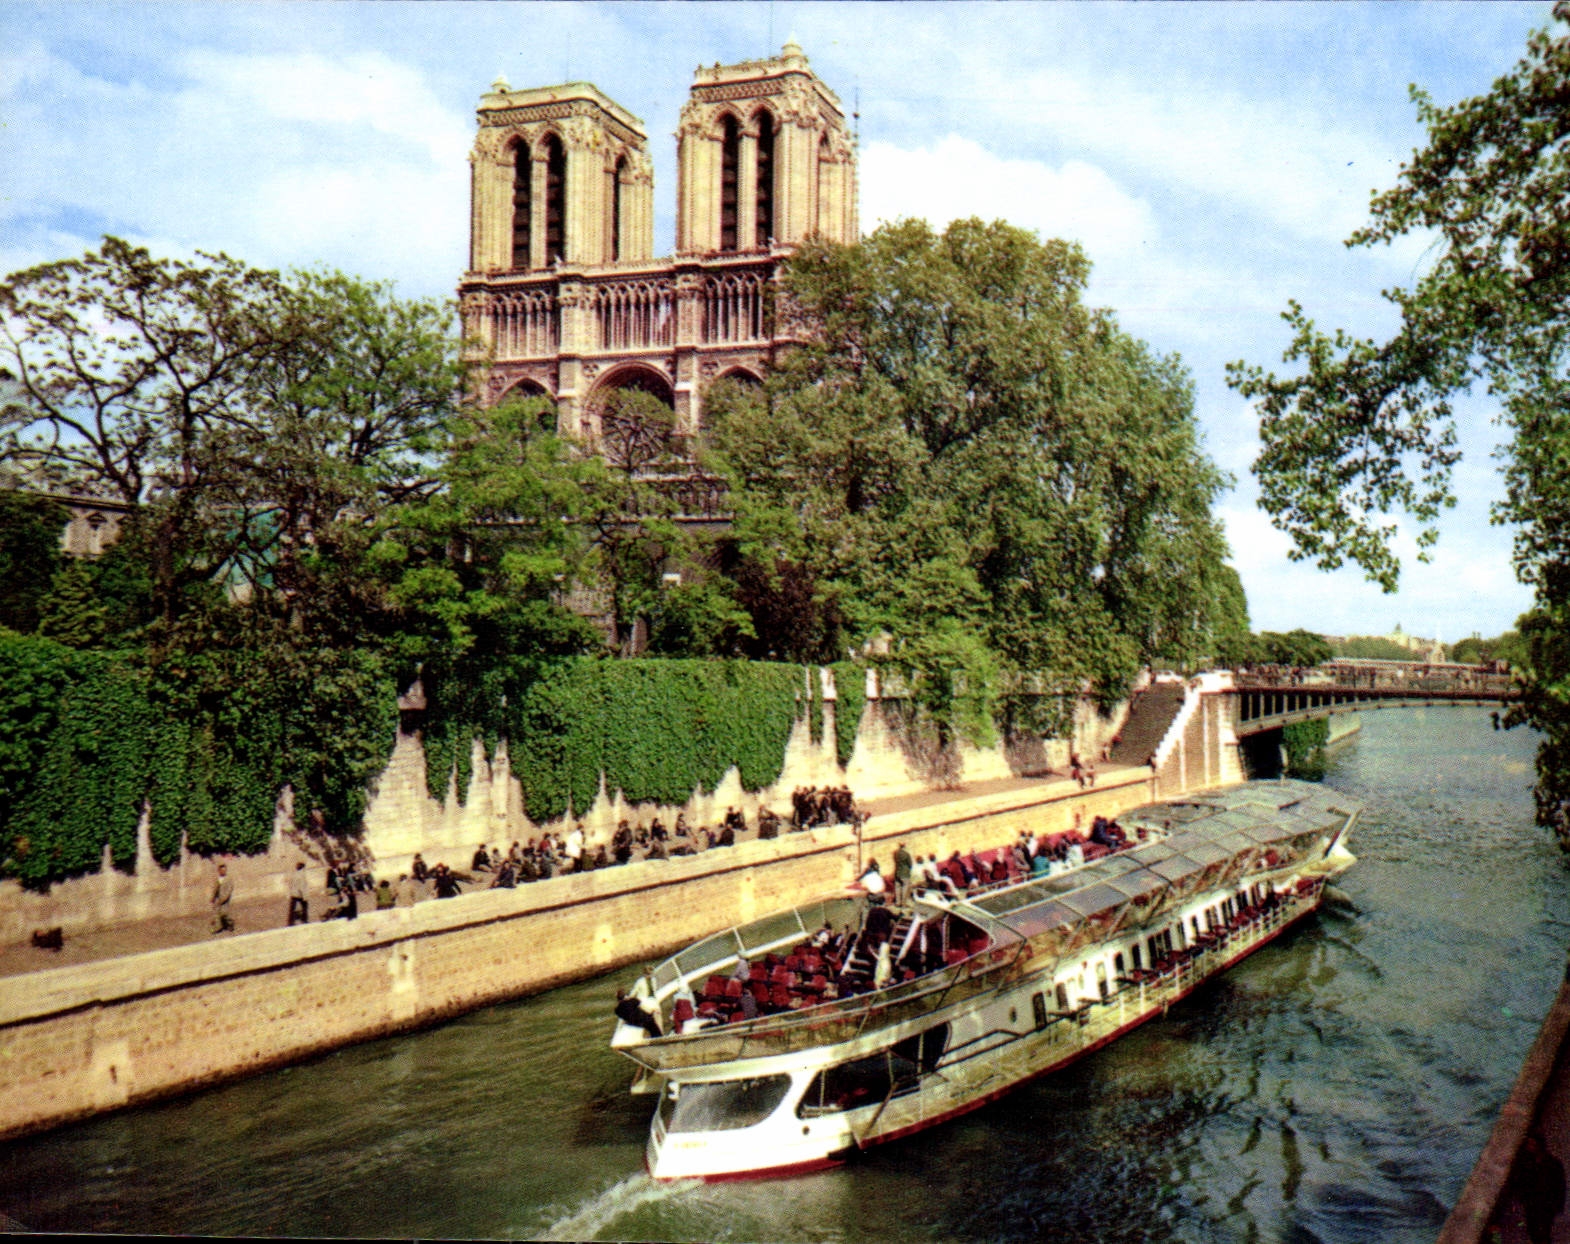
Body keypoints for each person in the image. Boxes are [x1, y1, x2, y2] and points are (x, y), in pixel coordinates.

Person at [210, 863, 235, 934]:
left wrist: (224, 899)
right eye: (222, 870)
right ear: (219, 871)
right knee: (217, 914)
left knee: (224, 914)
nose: (224, 871)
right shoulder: (217, 879)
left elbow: (229, 890)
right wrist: (213, 897)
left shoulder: (229, 879)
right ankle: (217, 928)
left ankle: (230, 924)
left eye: (225, 870)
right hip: (218, 899)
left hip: (225, 900)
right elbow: (215, 889)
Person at [287, 861, 310, 926]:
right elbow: (302, 886)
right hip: (299, 894)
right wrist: (304, 896)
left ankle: (290, 922)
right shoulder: (302, 875)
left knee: (292, 909)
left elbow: (290, 884)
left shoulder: (294, 874)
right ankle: (304, 920)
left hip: (293, 893)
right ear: (303, 868)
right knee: (305, 907)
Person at [893, 842, 914, 906]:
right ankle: (903, 902)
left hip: (897, 872)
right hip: (905, 873)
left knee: (898, 887)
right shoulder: (906, 854)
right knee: (905, 887)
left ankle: (898, 902)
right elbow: (910, 864)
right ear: (904, 846)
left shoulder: (895, 853)